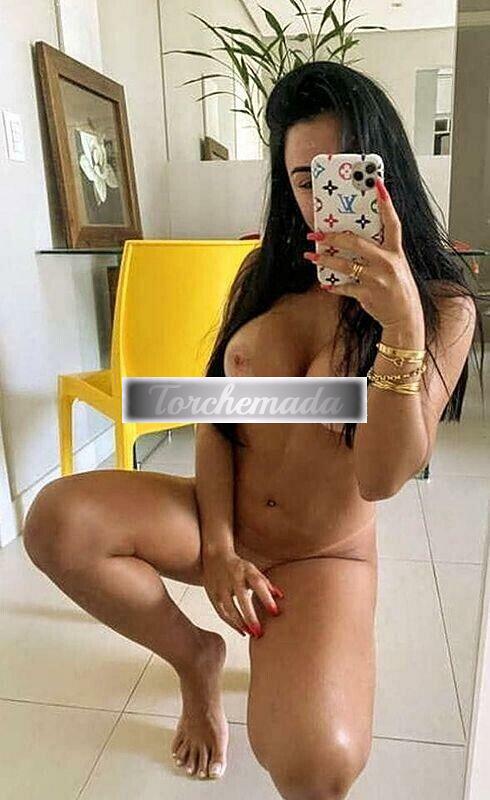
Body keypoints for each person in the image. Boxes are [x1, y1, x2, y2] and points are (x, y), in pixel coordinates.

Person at [22, 61, 483, 798]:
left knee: (316, 765)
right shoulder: (262, 276)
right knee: (57, 521)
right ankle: (195, 660)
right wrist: (219, 550)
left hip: (321, 552)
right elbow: (218, 417)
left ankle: (295, 650)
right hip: (221, 520)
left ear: (386, 169)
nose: (325, 201)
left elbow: (381, 478)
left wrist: (400, 328)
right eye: (304, 180)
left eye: (346, 172)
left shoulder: (442, 306)